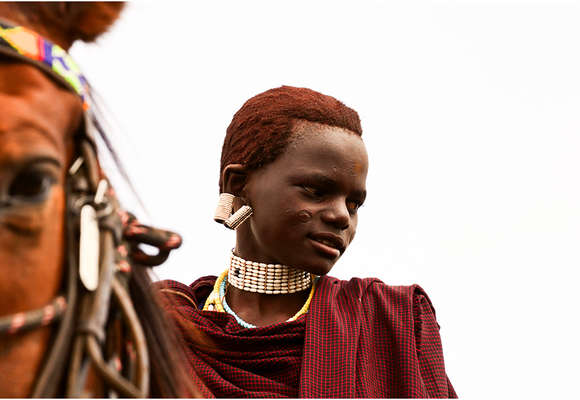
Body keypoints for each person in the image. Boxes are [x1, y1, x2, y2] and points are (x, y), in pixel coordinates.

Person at [158, 86, 457, 398]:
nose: (342, 216)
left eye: (354, 205)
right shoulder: (161, 327)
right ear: (239, 185)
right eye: (316, 191)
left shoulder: (394, 324)